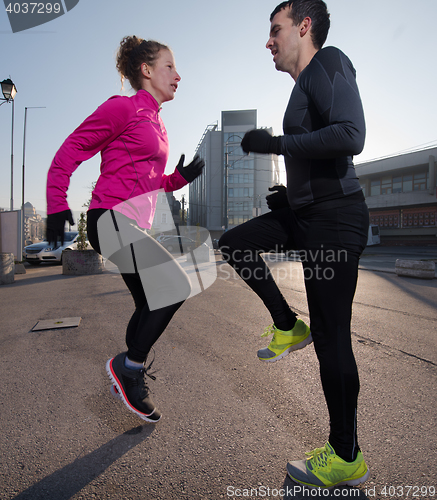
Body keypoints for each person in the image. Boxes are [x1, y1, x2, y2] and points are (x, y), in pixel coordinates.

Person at [219, 0, 370, 489]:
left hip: (336, 219)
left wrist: (278, 146)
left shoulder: (330, 62)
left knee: (332, 338)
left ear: (304, 27)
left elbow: (351, 134)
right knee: (236, 243)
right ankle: (287, 325)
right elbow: (321, 150)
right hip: (308, 214)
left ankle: (345, 455)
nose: (269, 41)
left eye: (275, 29)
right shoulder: (304, 86)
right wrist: (291, 193)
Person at [46, 36, 204, 423]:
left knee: (150, 302)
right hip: (109, 218)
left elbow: (149, 181)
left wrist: (177, 179)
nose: (178, 76)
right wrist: (55, 203)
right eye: (170, 67)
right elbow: (72, 148)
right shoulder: (123, 108)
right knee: (174, 287)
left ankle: (128, 375)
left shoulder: (156, 122)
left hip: (131, 221)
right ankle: (129, 368)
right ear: (146, 71)